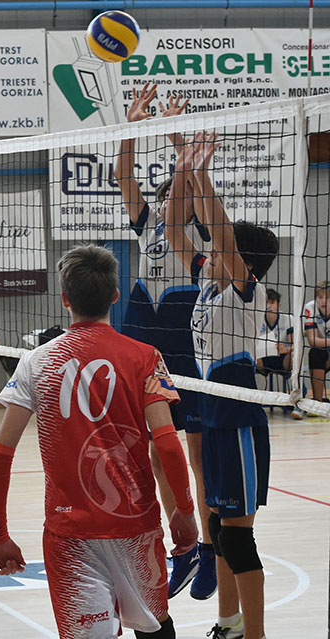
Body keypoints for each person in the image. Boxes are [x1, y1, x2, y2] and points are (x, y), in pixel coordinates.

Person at [0, 244, 198, 639]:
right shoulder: (146, 357)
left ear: (65, 299)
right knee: (155, 627)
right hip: (135, 527)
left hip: (71, 532)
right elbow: (168, 444)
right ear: (116, 296)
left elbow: (1, 453)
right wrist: (184, 512)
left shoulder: (36, 361)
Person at [165, 134, 279, 639]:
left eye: (217, 249)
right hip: (212, 417)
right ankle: (228, 624)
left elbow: (223, 238)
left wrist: (203, 174)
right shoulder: (209, 285)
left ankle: (253, 634)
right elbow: (175, 230)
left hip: (238, 424)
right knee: (217, 529)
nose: (207, 251)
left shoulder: (245, 293)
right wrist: (182, 167)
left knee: (237, 540)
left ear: (241, 265)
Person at [115, 82, 217, 601]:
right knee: (158, 452)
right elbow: (123, 178)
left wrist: (179, 140)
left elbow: (192, 183)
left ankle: (211, 550)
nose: (169, 201)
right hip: (145, 347)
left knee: (196, 457)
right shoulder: (148, 228)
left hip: (185, 345)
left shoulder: (201, 232)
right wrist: (131, 130)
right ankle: (186, 547)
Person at [255, 288, 293, 378]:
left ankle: (297, 384)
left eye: (272, 303)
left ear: (279, 305)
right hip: (263, 358)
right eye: (266, 303)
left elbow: (294, 344)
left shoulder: (288, 319)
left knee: (293, 353)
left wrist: (286, 349)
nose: (268, 306)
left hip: (282, 357)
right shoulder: (256, 319)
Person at [303, 281, 330, 405]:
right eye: (320, 297)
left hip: (325, 346)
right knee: (315, 353)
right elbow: (313, 341)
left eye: (328, 297)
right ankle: (317, 402)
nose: (324, 301)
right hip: (323, 351)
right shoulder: (310, 308)